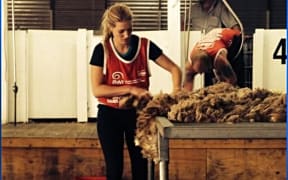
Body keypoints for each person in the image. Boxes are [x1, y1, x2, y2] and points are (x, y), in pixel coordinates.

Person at [89, 3, 182, 180]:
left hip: (138, 115)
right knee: (114, 170)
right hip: (110, 114)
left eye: (130, 30)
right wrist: (131, 89)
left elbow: (175, 69)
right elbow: (97, 89)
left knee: (141, 169)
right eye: (121, 31)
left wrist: (176, 92)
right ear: (111, 28)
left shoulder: (144, 46)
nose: (126, 35)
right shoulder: (102, 50)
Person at [183, 0, 245, 87]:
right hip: (211, 43)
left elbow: (232, 80)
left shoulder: (219, 59)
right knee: (197, 75)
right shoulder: (190, 62)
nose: (200, 74)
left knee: (229, 76)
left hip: (234, 40)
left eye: (202, 71)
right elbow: (188, 78)